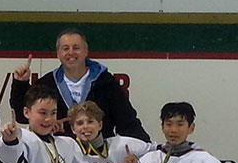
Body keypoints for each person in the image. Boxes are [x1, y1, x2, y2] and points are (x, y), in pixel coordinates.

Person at [9, 29, 149, 142]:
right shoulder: (48, 84)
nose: (71, 53)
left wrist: (146, 150)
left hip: (98, 155)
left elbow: (126, 121)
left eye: (76, 48)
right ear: (58, 53)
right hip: (60, 156)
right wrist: (20, 84)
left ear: (86, 51)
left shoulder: (105, 82)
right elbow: (23, 116)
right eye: (65, 48)